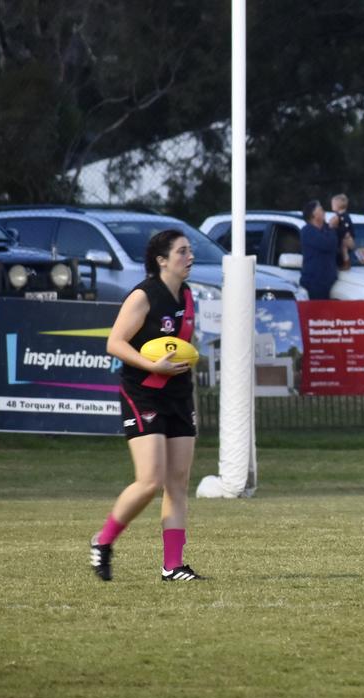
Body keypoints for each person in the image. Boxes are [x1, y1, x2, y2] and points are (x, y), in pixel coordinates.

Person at [89, 229, 206, 582]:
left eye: (190, 251)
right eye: (182, 252)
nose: (190, 257)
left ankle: (172, 566)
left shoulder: (186, 295)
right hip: (144, 392)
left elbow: (177, 343)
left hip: (178, 393)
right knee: (150, 481)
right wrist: (152, 365)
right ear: (162, 260)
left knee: (178, 482)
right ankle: (103, 542)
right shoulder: (143, 296)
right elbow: (115, 343)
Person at [299, 200, 341, 300]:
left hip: (330, 281)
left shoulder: (326, 229)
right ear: (314, 214)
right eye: (321, 209)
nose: (324, 212)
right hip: (315, 282)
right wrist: (331, 227)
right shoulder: (307, 231)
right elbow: (328, 244)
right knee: (317, 314)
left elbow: (337, 245)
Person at [328, 193, 356, 271]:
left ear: (338, 205)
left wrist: (345, 234)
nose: (331, 205)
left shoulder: (343, 217)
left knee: (344, 247)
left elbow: (345, 228)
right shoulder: (337, 216)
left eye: (333, 203)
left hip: (346, 238)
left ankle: (346, 263)